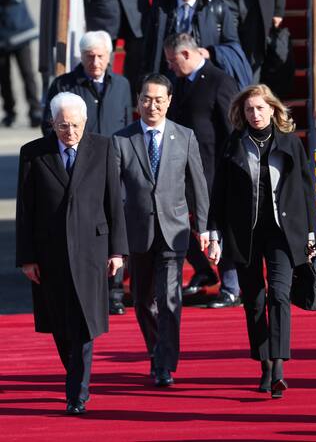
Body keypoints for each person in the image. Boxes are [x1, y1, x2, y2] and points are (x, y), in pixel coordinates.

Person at [16, 92, 128, 414]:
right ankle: (74, 375)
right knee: (60, 324)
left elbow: (113, 202)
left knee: (82, 322)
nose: (70, 132)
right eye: (63, 126)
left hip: (92, 250)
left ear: (85, 122)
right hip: (49, 254)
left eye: (75, 125)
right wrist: (27, 257)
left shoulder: (104, 147)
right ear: (52, 124)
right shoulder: (33, 154)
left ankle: (77, 392)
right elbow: (26, 210)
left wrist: (117, 250)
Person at [207, 84, 316, 398]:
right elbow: (220, 192)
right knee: (254, 300)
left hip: (283, 233)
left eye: (260, 108)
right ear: (242, 113)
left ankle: (280, 365)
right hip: (246, 233)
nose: (255, 115)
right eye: (249, 109)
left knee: (279, 295)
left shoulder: (291, 144)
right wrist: (214, 230)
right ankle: (265, 364)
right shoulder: (234, 143)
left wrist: (312, 235)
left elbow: (306, 191)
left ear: (272, 109)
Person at [113, 73, 209, 387]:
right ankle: (156, 350)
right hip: (138, 232)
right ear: (138, 102)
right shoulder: (122, 140)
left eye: (158, 100)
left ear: (168, 101)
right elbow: (113, 192)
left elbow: (197, 185)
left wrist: (206, 228)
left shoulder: (185, 136)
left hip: (174, 231)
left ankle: (164, 363)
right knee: (141, 300)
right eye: (146, 99)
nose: (152, 105)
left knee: (169, 299)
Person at [41, 30, 132, 315]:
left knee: (115, 222)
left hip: (114, 167)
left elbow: (128, 123)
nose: (95, 61)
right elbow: (49, 127)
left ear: (110, 57)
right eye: (89, 56)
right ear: (81, 57)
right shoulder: (64, 85)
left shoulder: (122, 84)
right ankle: (87, 288)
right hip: (79, 171)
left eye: (101, 56)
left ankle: (115, 290)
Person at [164, 32, 240, 307]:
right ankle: (205, 271)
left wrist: (230, 168)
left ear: (186, 54)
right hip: (183, 169)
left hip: (214, 168)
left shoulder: (220, 81)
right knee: (182, 224)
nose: (170, 66)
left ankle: (231, 286)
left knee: (219, 227)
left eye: (173, 60)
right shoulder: (179, 83)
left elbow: (233, 129)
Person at [143, 0, 252, 90]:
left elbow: (233, 46)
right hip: (168, 81)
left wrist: (211, 53)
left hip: (203, 82)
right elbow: (149, 49)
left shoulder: (216, 7)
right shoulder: (161, 8)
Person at [82, 0, 150, 105]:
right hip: (101, 7)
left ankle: (131, 102)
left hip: (137, 7)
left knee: (137, 58)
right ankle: (99, 99)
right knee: (100, 55)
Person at [0, 0, 42, 127]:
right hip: (1, 37)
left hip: (20, 33)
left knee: (27, 73)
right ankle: (9, 112)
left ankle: (35, 110)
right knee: (4, 77)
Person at [230, 0, 286, 83]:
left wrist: (278, 10)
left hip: (256, 5)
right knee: (227, 52)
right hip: (227, 2)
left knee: (254, 58)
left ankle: (250, 92)